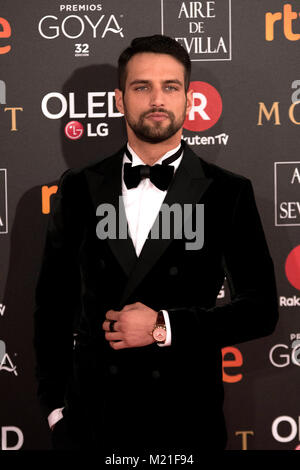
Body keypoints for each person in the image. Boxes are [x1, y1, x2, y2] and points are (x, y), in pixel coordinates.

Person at [34, 35, 278, 454]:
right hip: (92, 423)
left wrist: (164, 325)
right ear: (119, 100)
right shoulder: (78, 188)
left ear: (189, 99)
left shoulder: (227, 192)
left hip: (185, 420)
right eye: (141, 86)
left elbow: (261, 310)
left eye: (171, 86)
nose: (157, 99)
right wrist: (56, 410)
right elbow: (52, 305)